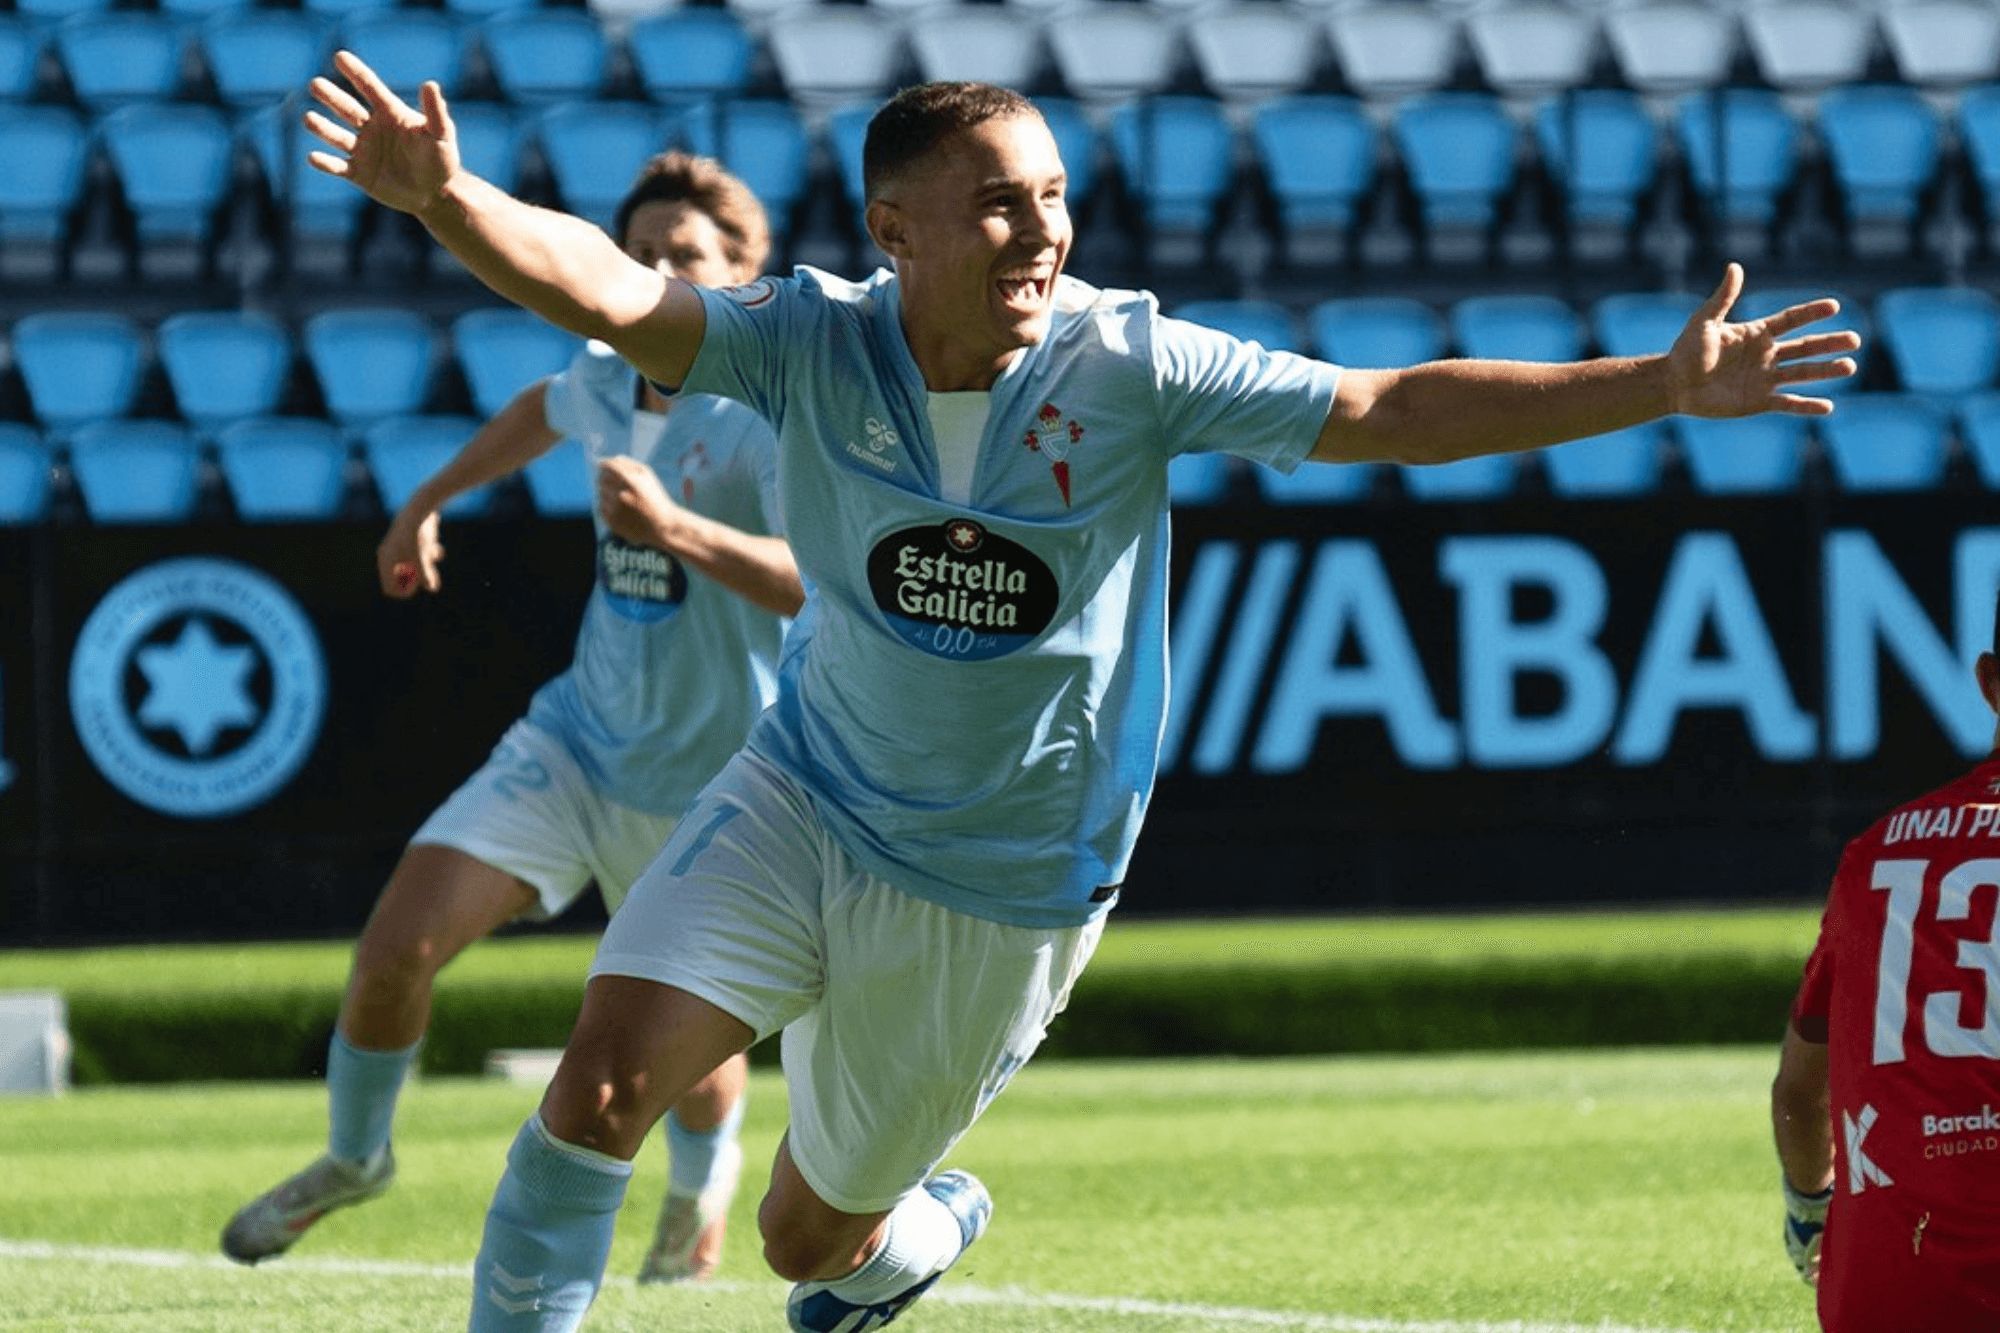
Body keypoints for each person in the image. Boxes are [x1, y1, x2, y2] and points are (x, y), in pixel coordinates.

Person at [301, 56, 1860, 1331]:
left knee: (802, 1240)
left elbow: (1383, 407)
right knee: (597, 1087)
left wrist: (1657, 386)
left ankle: (911, 1233)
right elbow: (610, 300)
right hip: (805, 792)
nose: (1039, 231)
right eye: (995, 206)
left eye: (1050, 197)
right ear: (893, 230)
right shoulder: (807, 345)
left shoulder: (1128, 365)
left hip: (1003, 879)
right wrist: (452, 198)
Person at [220, 149, 803, 1288]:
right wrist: (424, 501)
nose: (651, 269)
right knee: (397, 945)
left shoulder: (768, 415)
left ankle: (696, 1191)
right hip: (574, 742)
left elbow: (811, 584)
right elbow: (537, 412)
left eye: (682, 255)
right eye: (636, 249)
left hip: (714, 778)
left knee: (685, 1048)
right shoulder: (600, 374)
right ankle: (354, 1156)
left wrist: (678, 530)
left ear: (740, 274)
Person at [1773, 596, 2000, 1332]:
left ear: (1990, 682)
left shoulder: (1873, 857)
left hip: (1882, 1300)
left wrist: (1811, 1213)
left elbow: (1799, 1094)